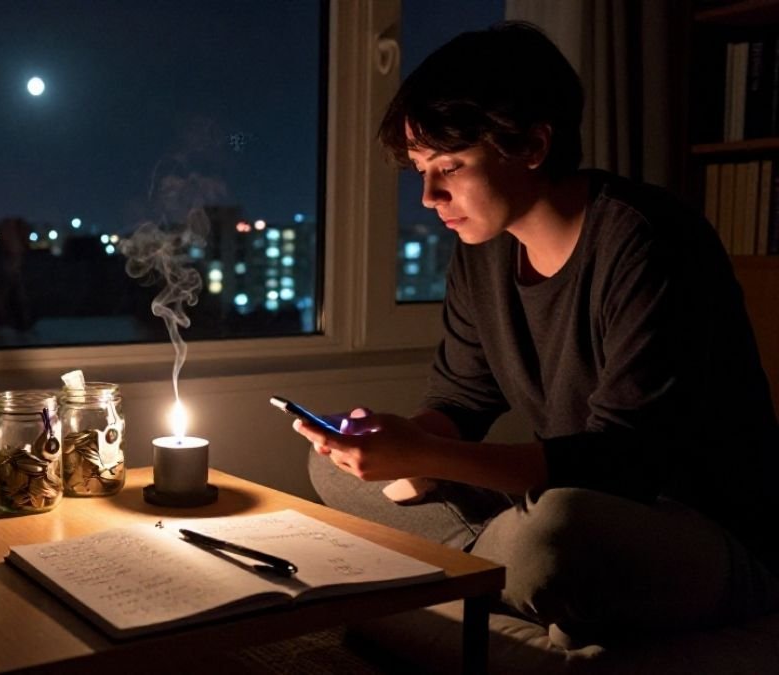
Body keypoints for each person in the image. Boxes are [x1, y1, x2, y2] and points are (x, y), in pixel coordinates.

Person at [296, 21, 779, 648]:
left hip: (695, 525)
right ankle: (489, 567)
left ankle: (473, 568)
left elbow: (621, 461)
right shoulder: (482, 250)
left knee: (554, 533)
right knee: (330, 467)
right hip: (580, 494)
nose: (428, 195)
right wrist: (404, 442)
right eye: (420, 169)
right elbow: (461, 402)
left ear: (530, 145)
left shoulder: (649, 241)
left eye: (448, 166)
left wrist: (428, 459)